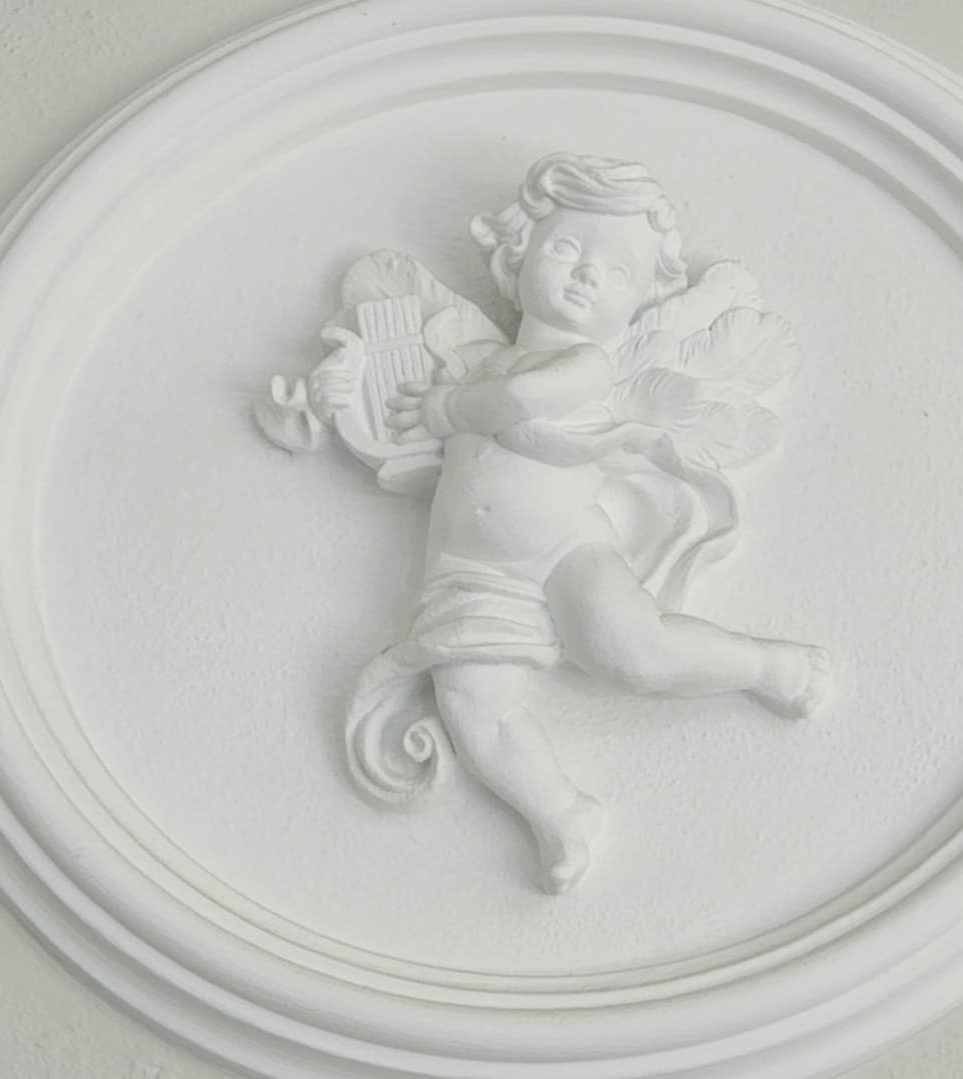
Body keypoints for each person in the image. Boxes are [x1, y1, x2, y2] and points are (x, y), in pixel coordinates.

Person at [316, 155, 828, 893]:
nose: (588, 274)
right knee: (472, 705)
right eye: (566, 248)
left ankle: (768, 666)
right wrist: (330, 397)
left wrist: (452, 405)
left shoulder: (588, 366)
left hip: (565, 551)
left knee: (635, 651)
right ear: (517, 252)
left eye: (618, 272)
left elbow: (521, 401)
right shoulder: (469, 357)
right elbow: (391, 439)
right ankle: (561, 812)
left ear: (641, 299)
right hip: (468, 571)